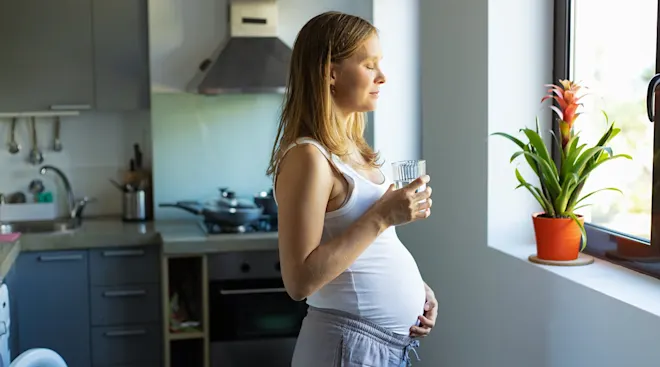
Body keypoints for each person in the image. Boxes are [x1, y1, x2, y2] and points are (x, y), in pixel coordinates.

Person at [266, 11, 437, 367]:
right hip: (347, 347)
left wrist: (418, 291)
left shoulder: (355, 150)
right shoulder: (308, 157)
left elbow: (369, 246)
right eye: (369, 64)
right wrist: (382, 216)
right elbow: (298, 282)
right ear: (331, 72)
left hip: (383, 347)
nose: (382, 76)